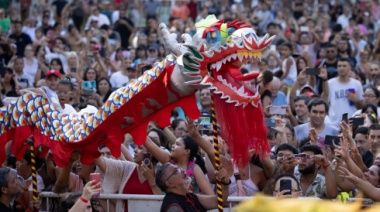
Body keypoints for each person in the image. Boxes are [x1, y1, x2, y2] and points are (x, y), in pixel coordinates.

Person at [94, 138, 162, 211]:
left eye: (140, 148)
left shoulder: (160, 172)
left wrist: (151, 179)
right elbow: (103, 163)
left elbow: (161, 201)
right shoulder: (128, 168)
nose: (135, 150)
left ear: (150, 154)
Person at [156, 163, 229, 212]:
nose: (182, 171)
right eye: (176, 171)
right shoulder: (172, 206)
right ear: (170, 183)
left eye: (179, 168)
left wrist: (224, 183)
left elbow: (217, 201)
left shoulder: (190, 196)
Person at [327, 58, 364, 127]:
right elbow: (327, 103)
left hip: (352, 123)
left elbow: (362, 107)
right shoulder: (330, 83)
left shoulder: (357, 84)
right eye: (339, 66)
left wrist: (356, 100)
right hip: (334, 123)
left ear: (350, 68)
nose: (341, 68)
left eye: (344, 66)